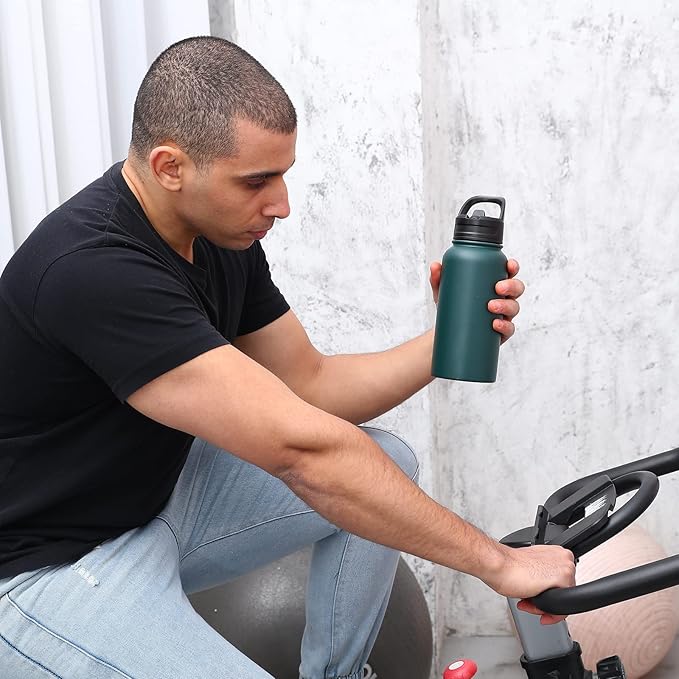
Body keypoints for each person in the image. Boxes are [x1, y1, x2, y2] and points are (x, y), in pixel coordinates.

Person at [0, 36, 574, 679]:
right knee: (333, 465)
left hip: (157, 503)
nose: (281, 204)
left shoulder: (219, 236)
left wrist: (447, 340)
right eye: (256, 182)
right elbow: (301, 451)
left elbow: (311, 384)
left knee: (385, 463)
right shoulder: (92, 269)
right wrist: (498, 562)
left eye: (282, 175)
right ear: (169, 167)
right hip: (48, 567)